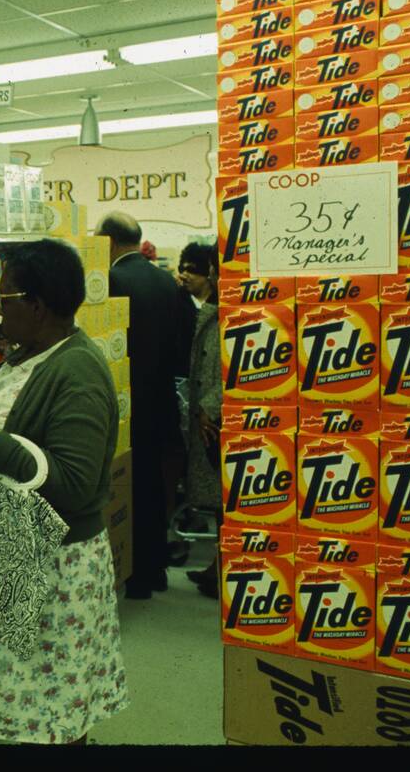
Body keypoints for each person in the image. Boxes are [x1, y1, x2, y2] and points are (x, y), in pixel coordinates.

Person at [0, 238, 128, 745]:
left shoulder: (78, 371)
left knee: (53, 713)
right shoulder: (30, 354)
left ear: (37, 306)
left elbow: (75, 484)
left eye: (5, 299)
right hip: (14, 560)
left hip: (52, 571)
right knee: (27, 709)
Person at [97, 211, 183, 600]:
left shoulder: (113, 281)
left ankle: (138, 576)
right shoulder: (167, 280)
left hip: (127, 399)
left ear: (109, 242)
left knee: (130, 487)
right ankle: (156, 566)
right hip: (163, 399)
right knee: (156, 485)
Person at [178, 241, 223, 598]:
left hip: (216, 415)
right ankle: (218, 567)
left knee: (226, 499)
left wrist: (211, 405)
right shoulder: (213, 308)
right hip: (207, 410)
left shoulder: (227, 311)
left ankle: (222, 569)